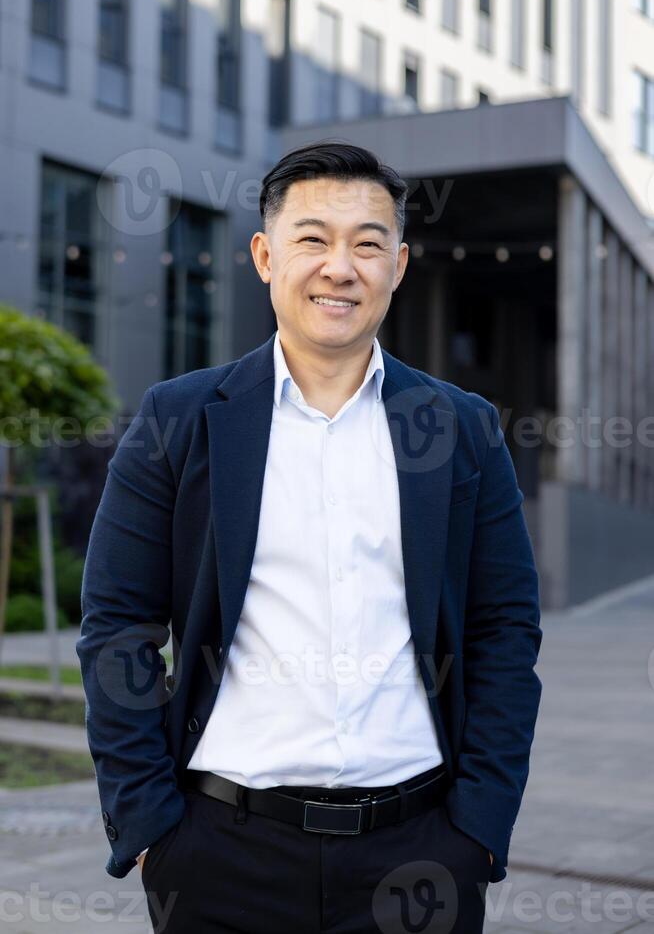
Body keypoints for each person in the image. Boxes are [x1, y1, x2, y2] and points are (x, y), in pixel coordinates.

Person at [77, 142, 543, 934]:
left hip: (421, 855)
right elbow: (116, 626)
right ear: (266, 255)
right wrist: (151, 826)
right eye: (313, 239)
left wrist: (480, 831)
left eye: (367, 244)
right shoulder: (180, 419)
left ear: (397, 266)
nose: (341, 266)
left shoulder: (460, 429)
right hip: (220, 852)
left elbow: (504, 631)